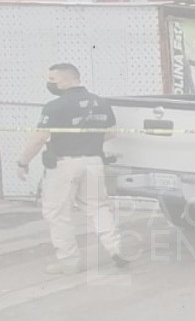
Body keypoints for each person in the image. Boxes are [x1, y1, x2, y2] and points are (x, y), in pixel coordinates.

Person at [16, 63, 128, 274]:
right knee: (98, 206)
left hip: (64, 165)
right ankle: (116, 248)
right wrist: (88, 141)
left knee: (57, 212)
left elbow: (38, 138)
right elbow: (112, 132)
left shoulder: (55, 106)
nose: (49, 83)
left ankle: (68, 260)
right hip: (94, 161)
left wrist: (23, 162)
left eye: (53, 79)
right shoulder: (100, 102)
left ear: (69, 78)